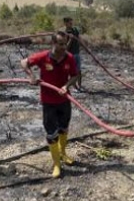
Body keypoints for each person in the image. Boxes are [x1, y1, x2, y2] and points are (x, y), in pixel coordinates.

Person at [20, 31, 80, 178]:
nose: (64, 47)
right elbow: (23, 62)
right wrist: (32, 76)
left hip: (64, 100)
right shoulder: (43, 57)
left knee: (64, 129)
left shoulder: (69, 58)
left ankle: (63, 154)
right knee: (51, 134)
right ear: (53, 43)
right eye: (60, 44)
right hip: (49, 103)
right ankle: (57, 164)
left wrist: (66, 86)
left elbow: (75, 75)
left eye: (65, 43)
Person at [63, 17, 83, 91]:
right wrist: (70, 39)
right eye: (69, 23)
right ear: (65, 23)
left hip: (77, 53)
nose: (71, 24)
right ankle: (75, 87)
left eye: (72, 23)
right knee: (73, 72)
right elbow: (66, 47)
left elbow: (79, 39)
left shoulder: (75, 30)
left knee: (79, 71)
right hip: (71, 55)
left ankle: (80, 86)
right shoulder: (65, 33)